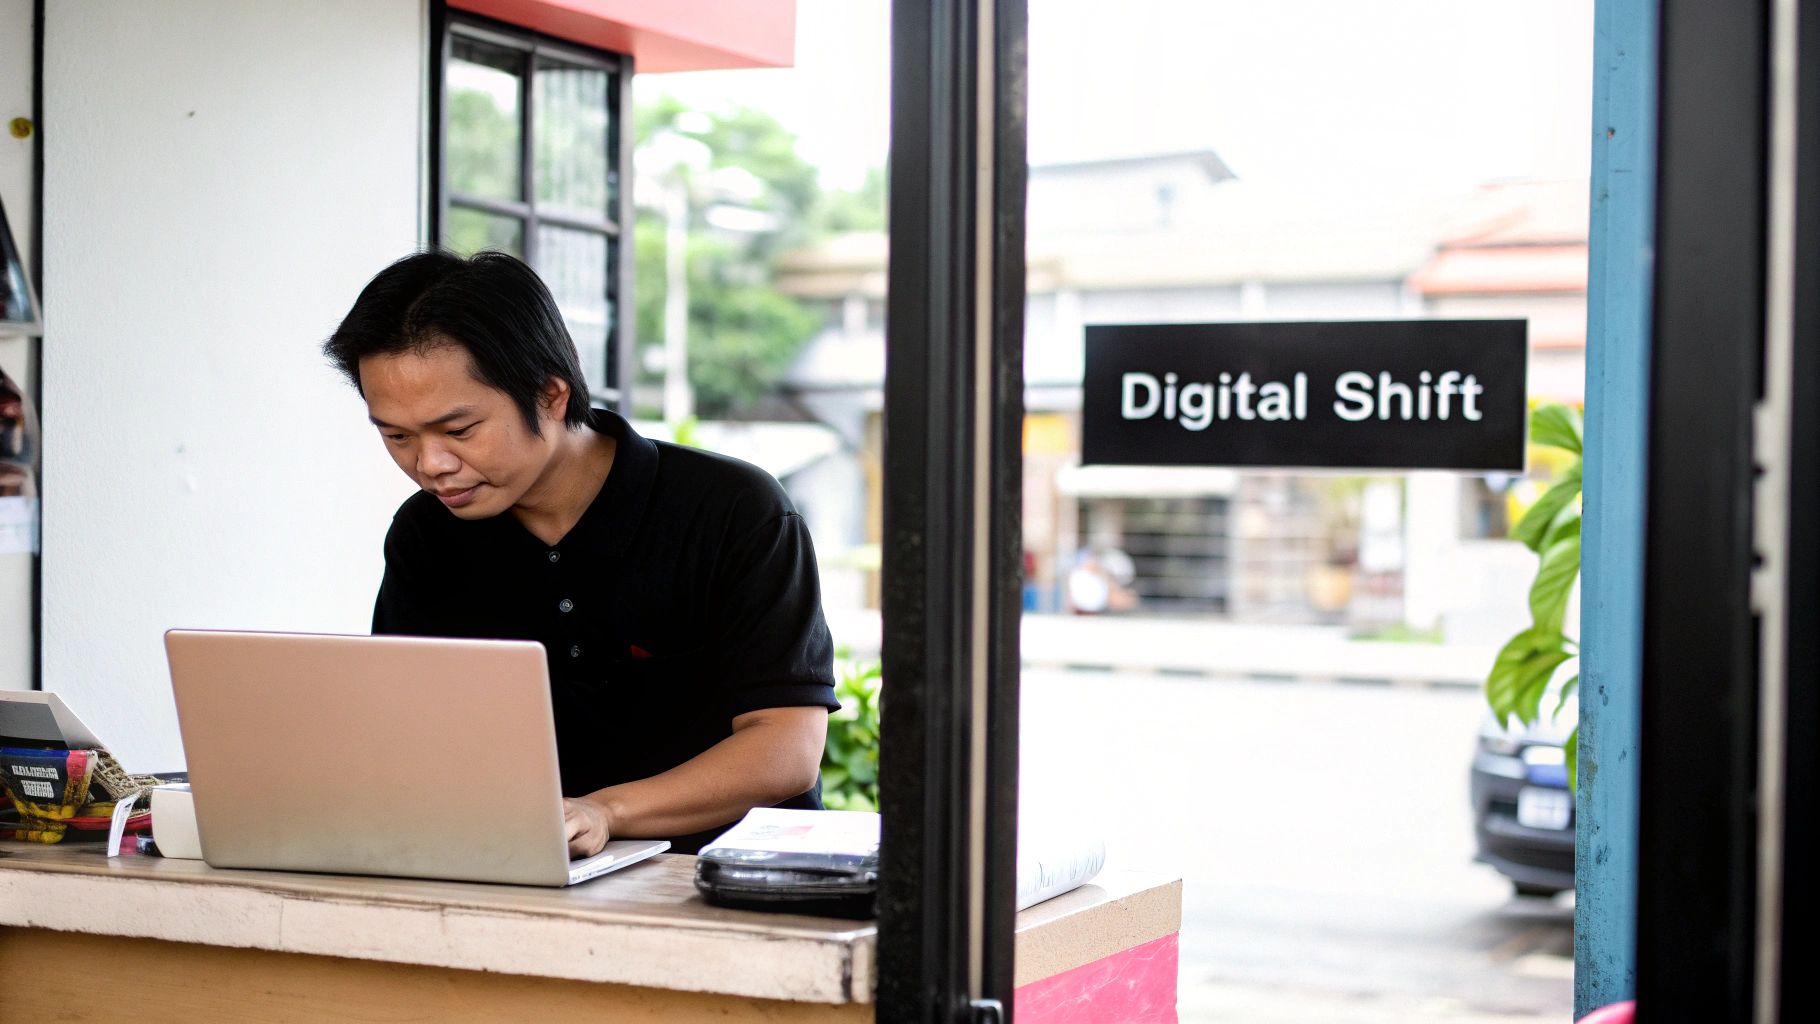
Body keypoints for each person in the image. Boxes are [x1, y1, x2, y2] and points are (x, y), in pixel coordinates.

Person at [323, 250, 837, 856]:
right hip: (535, 878)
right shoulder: (426, 535)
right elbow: (410, 736)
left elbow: (787, 748)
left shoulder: (733, 511)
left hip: (729, 883)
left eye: (459, 431)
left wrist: (607, 812)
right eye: (397, 436)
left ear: (550, 395)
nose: (429, 465)